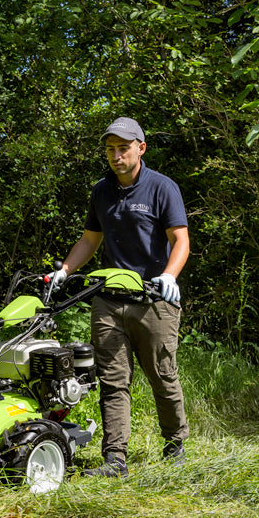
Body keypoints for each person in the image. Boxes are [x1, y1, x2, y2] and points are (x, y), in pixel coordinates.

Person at [47, 117, 190, 478]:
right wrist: (65, 270)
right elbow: (90, 239)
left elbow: (180, 240)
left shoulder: (162, 188)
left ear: (141, 148)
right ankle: (115, 460)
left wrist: (169, 276)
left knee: (162, 376)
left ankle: (175, 445)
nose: (116, 155)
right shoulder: (102, 191)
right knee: (113, 382)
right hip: (109, 300)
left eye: (123, 148)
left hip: (154, 300)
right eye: (110, 149)